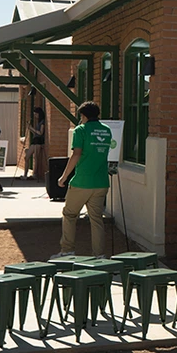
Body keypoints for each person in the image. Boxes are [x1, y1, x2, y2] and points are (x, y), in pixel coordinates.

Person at [54, 101, 113, 258]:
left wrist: (64, 176)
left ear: (84, 116)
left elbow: (76, 154)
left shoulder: (80, 130)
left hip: (82, 181)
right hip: (101, 182)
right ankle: (99, 255)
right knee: (96, 220)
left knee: (69, 214)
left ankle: (67, 250)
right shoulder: (107, 130)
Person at [21, 107, 46, 180]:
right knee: (26, 157)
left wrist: (32, 128)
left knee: (36, 158)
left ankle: (35, 174)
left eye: (36, 114)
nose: (35, 116)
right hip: (34, 140)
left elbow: (40, 133)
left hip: (38, 142)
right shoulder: (38, 122)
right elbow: (36, 133)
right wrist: (30, 129)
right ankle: (25, 174)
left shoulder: (42, 122)